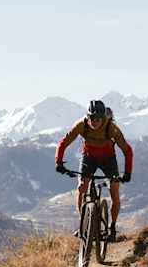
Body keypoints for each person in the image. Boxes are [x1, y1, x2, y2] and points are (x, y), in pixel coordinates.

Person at [55, 100, 133, 241]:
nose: (95, 122)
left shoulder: (111, 128)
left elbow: (127, 150)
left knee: (114, 192)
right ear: (87, 117)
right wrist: (59, 162)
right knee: (82, 188)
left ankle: (112, 228)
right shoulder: (81, 125)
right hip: (89, 157)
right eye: (92, 118)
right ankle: (83, 224)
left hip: (108, 159)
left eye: (98, 119)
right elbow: (63, 143)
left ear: (104, 118)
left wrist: (127, 173)